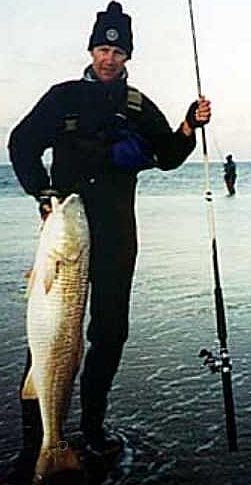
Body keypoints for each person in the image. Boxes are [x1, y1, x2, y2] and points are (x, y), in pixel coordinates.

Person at [7, 1, 211, 480]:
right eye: (102, 48)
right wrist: (43, 191)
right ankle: (36, 441)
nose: (109, 59)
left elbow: (167, 156)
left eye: (117, 52)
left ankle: (92, 427)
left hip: (118, 233)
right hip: (67, 233)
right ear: (91, 49)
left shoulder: (137, 104)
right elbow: (21, 143)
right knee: (52, 332)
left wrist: (187, 126)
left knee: (110, 332)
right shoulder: (63, 98)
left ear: (127, 57)